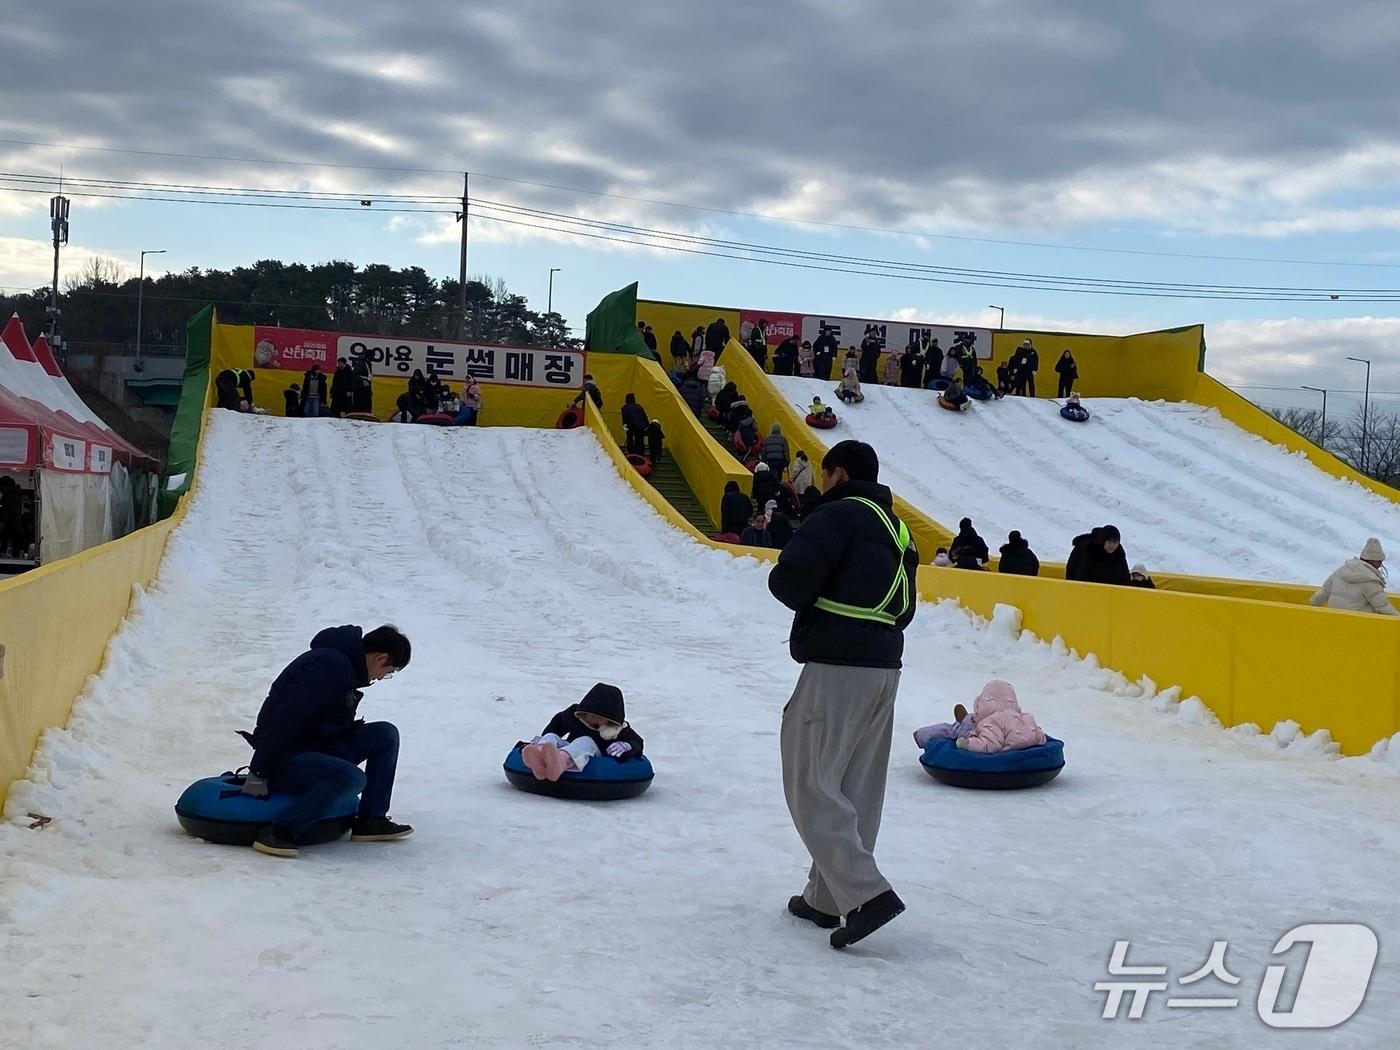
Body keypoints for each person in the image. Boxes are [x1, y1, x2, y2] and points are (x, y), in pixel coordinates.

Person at [768, 440, 918, 949]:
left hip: (837, 664)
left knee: (809, 779)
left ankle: (866, 893)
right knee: (857, 784)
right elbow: (906, 609)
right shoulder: (898, 528)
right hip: (885, 666)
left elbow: (789, 582)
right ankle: (827, 899)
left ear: (837, 473)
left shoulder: (837, 515)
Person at [239, 624, 413, 858]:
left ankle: (371, 820)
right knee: (352, 778)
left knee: (385, 734)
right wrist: (259, 771)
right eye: (389, 671)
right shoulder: (329, 665)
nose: (383, 677)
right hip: (285, 757)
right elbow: (288, 718)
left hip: (315, 748)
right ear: (380, 658)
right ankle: (279, 831)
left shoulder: (345, 666)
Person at [519, 683, 645, 781]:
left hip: (594, 755)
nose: (594, 719)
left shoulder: (618, 730)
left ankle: (561, 762)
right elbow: (556, 725)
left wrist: (627, 745)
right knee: (551, 736)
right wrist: (543, 738)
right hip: (572, 749)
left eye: (599, 717)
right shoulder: (574, 716)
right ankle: (540, 758)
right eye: (591, 715)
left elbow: (637, 741)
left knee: (585, 740)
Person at [914, 681, 1045, 754]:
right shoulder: (1026, 717)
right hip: (1005, 732)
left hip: (979, 727)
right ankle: (966, 719)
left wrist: (967, 744)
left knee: (954, 730)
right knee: (965, 724)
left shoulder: (992, 722)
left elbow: (988, 744)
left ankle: (922, 735)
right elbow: (1041, 736)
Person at [1309, 538, 1397, 615]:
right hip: (1358, 622)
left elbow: (1322, 593)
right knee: (1376, 610)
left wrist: (1310, 608)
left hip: (1334, 617)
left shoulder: (1341, 571)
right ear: (1372, 560)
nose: (1380, 565)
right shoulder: (1370, 579)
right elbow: (1383, 607)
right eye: (1379, 562)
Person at [1066, 525, 1131, 585]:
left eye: (1115, 542)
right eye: (1109, 542)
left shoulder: (1119, 554)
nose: (1112, 546)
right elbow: (1076, 572)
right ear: (1103, 541)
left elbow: (1125, 577)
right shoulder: (1091, 550)